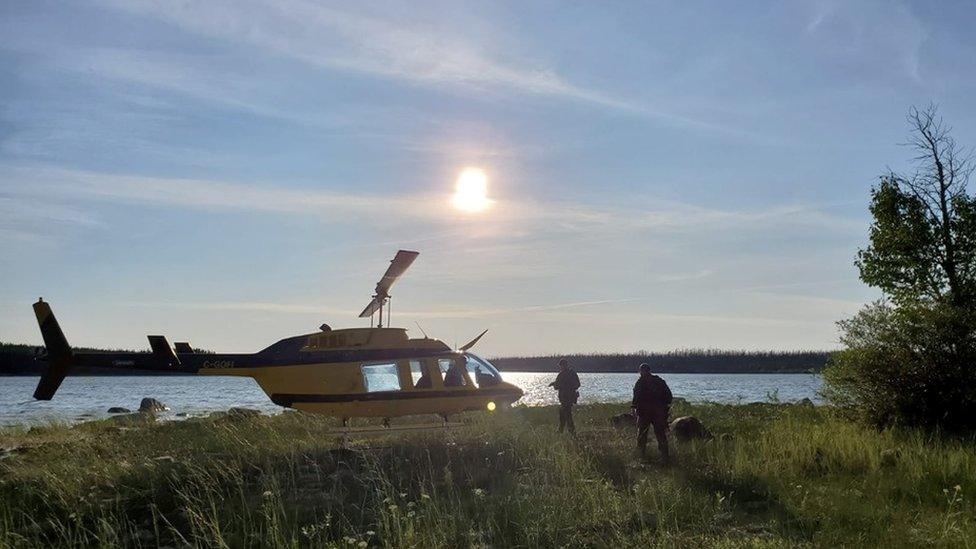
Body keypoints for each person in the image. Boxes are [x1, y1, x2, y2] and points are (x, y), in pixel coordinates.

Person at [632, 363, 672, 462]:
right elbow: (669, 397)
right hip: (656, 412)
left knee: (643, 435)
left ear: (640, 371)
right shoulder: (659, 381)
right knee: (659, 434)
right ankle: (664, 457)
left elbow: (635, 400)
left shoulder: (640, 383)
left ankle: (641, 457)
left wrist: (636, 410)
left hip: (647, 413)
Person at [548, 358, 580, 434]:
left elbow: (558, 386)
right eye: (561, 366)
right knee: (563, 414)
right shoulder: (571, 373)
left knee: (567, 415)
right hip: (567, 398)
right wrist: (554, 383)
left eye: (562, 365)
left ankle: (571, 432)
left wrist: (559, 385)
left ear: (565, 365)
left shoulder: (564, 374)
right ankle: (561, 430)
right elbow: (577, 384)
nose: (561, 367)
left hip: (567, 398)